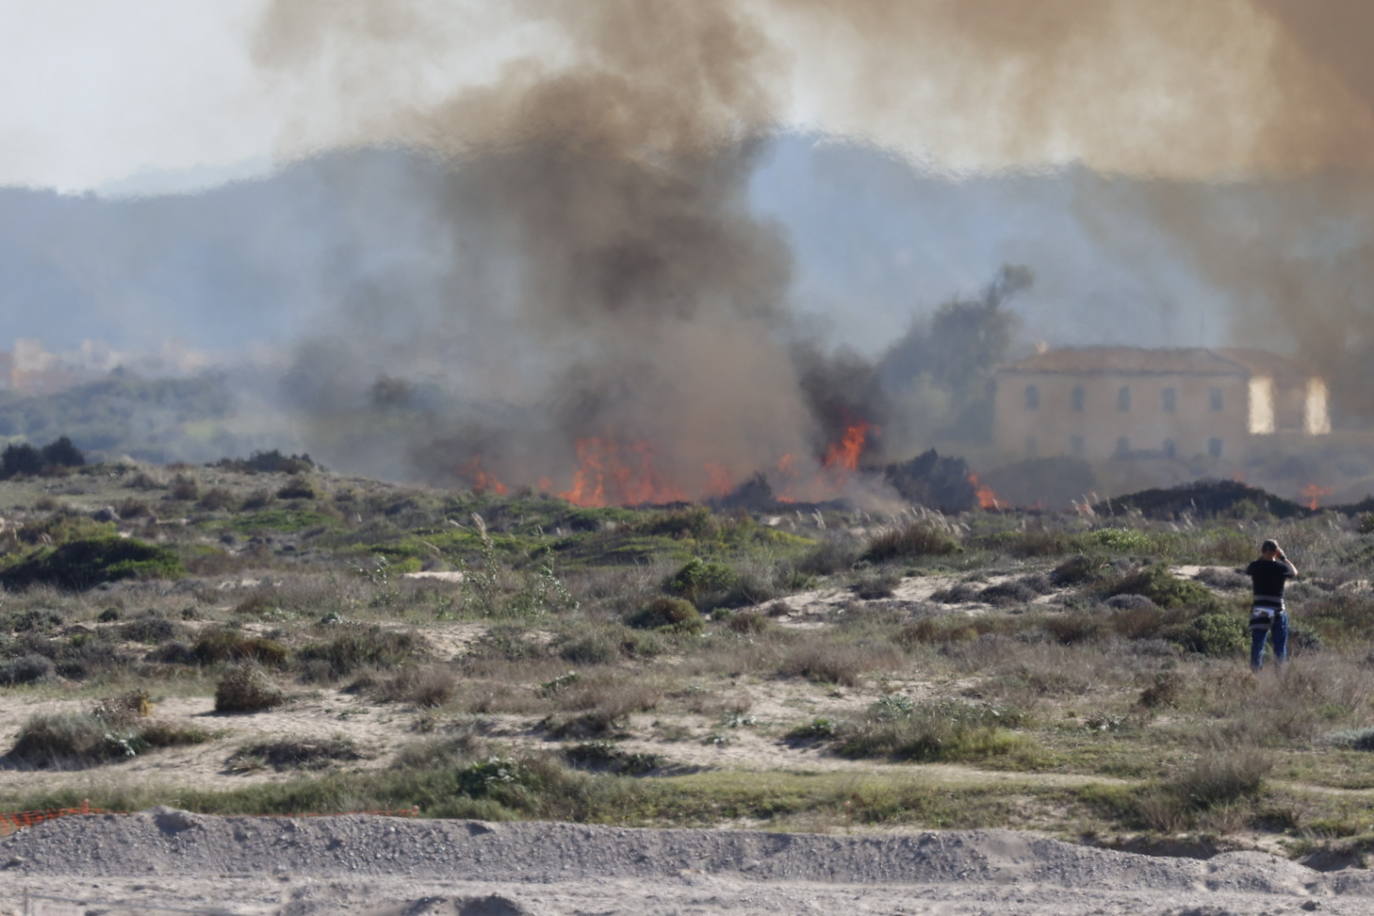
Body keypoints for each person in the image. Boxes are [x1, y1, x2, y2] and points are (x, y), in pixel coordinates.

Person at [1245, 539, 1298, 671]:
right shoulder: (1281, 567)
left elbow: (1249, 568)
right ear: (1276, 552)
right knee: (1279, 645)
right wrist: (1283, 557)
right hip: (1277, 609)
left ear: (1262, 551)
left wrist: (1263, 557)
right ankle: (1279, 674)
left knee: (1258, 643)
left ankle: (1255, 673)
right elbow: (1294, 572)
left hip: (1260, 609)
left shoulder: (1255, 566)